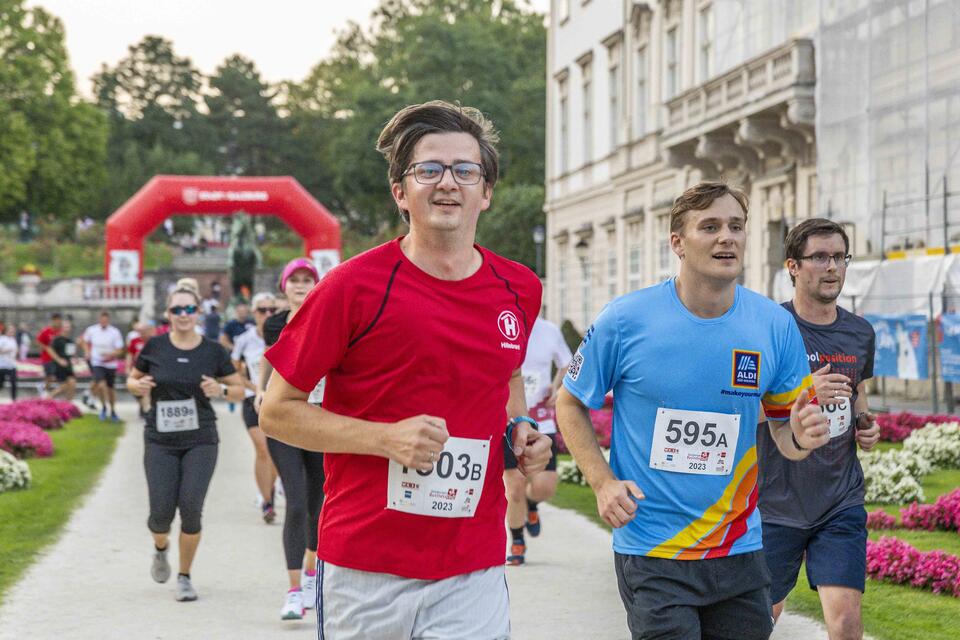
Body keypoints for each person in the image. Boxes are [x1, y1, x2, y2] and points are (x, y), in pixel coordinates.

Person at [260, 101, 551, 639]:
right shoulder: (351, 288)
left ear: (485, 192)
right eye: (428, 170)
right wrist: (385, 438)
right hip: (365, 567)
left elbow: (506, 376)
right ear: (401, 191)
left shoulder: (520, 288)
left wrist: (521, 429)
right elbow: (277, 412)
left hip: (472, 566)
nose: (448, 183)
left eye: (466, 171)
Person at [556, 182, 830, 640]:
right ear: (677, 243)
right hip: (653, 549)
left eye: (736, 226)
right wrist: (602, 482)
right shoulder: (626, 320)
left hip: (739, 548)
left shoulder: (774, 324)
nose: (727, 237)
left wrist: (802, 433)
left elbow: (786, 435)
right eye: (710, 226)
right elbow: (569, 401)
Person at [758, 219, 880, 640]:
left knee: (846, 623)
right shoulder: (769, 327)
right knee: (756, 621)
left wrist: (865, 422)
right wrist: (803, 392)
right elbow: (738, 407)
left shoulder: (860, 332)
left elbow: (857, 389)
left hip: (839, 498)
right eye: (820, 258)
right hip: (774, 500)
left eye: (839, 257)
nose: (832, 268)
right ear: (793, 265)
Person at [126, 283, 245, 602]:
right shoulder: (155, 347)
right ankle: (160, 547)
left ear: (198, 312)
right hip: (160, 440)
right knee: (160, 515)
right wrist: (138, 386)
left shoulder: (213, 351)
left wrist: (220, 391)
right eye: (176, 309)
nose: (183, 315)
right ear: (167, 314)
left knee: (191, 509)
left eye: (189, 309)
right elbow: (131, 378)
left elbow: (239, 389)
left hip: (201, 439)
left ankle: (185, 577)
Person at [255, 260, 326, 620]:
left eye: (307, 280)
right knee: (295, 502)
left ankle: (313, 574)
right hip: (285, 419)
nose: (300, 285)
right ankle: (294, 590)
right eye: (294, 280)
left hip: (318, 417)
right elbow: (277, 360)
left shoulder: (331, 317)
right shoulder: (275, 324)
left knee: (319, 503)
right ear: (284, 286)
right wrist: (260, 391)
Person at [504, 315, 573, 565]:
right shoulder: (501, 323)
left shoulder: (549, 331)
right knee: (514, 489)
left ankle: (532, 505)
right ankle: (517, 541)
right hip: (509, 420)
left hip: (540, 421)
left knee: (545, 486)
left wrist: (558, 387)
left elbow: (568, 363)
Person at [231, 292, 280, 525]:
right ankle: (267, 502)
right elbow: (235, 373)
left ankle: (268, 489)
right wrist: (255, 388)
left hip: (279, 402)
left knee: (277, 454)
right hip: (253, 400)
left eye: (272, 310)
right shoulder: (244, 340)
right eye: (263, 310)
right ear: (254, 313)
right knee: (263, 449)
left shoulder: (285, 334)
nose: (268, 315)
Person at [82, 310, 125, 422]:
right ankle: (103, 407)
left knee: (110, 389)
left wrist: (111, 354)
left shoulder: (115, 332)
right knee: (101, 385)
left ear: (108, 320)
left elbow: (120, 350)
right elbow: (84, 341)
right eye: (102, 319)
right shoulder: (92, 330)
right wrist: (87, 351)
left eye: (106, 320)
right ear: (99, 319)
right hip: (97, 362)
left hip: (110, 364)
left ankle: (113, 410)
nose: (103, 322)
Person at [127, 322, 155, 418]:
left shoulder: (155, 342)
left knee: (147, 390)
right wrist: (127, 367)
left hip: (150, 370)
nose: (142, 334)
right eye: (140, 332)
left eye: (144, 331)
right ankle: (143, 406)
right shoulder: (135, 341)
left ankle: (146, 410)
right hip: (138, 369)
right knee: (137, 391)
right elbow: (129, 354)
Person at [50, 319, 78, 401]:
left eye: (68, 327)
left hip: (68, 366)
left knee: (72, 383)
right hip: (59, 367)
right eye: (65, 326)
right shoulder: (57, 339)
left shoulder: (70, 341)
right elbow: (51, 351)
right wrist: (59, 360)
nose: (67, 328)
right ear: (62, 328)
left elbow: (71, 354)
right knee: (65, 385)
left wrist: (74, 359)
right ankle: (48, 398)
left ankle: (69, 403)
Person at [36, 312, 63, 396]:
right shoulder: (46, 331)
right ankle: (44, 389)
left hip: (57, 357)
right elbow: (38, 341)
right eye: (56, 320)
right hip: (47, 358)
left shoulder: (60, 331)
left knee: (50, 377)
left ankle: (44, 388)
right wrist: (46, 348)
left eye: (59, 320)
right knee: (51, 376)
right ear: (53, 321)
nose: (58, 322)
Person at [0, 324, 18, 400]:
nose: (12, 331)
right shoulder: (2, 338)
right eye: (10, 330)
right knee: (1, 384)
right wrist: (7, 350)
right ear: (6, 331)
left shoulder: (13, 339)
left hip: (12, 365)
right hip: (2, 366)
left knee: (14, 383)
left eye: (13, 330)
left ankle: (14, 399)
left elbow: (16, 350)